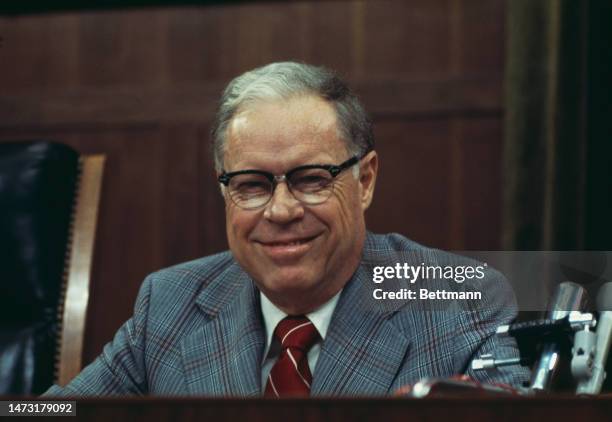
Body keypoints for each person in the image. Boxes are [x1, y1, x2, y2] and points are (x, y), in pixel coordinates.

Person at [45, 62, 529, 396]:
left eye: (312, 179)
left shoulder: (463, 302)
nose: (280, 210)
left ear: (365, 181)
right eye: (251, 184)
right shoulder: (168, 304)